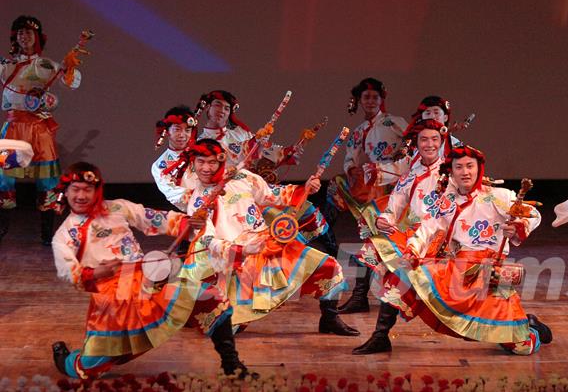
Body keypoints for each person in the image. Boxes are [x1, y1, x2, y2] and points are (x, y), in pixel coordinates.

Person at [49, 162, 245, 379]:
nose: (81, 195)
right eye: (75, 189)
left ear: (97, 190)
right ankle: (66, 359)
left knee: (209, 297)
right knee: (90, 367)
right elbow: (69, 272)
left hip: (148, 282)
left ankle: (232, 365)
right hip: (113, 298)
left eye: (87, 189)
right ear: (65, 192)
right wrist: (97, 273)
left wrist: (188, 222)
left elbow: (152, 218)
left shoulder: (116, 208)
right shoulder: (65, 234)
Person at [354, 146, 551, 355]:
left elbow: (532, 214)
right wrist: (412, 249)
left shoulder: (497, 196)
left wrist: (518, 227)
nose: (465, 172)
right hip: (457, 267)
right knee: (405, 274)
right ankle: (380, 336)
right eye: (459, 167)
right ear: (451, 172)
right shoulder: (447, 201)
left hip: (488, 273)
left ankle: (531, 327)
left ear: (479, 169)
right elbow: (429, 227)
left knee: (520, 347)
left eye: (470, 166)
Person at [177, 139, 359, 336]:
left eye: (211, 162)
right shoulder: (197, 203)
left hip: (268, 244)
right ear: (193, 164)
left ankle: (329, 319)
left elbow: (271, 195)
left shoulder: (243, 178)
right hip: (240, 259)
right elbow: (207, 241)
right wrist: (242, 250)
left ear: (221, 161)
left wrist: (304, 188)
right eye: (200, 162)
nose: (206, 168)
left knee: (329, 267)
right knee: (227, 327)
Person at [325, 77, 408, 314]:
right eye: (366, 97)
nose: (370, 101)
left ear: (382, 99)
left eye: (374, 97)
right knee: (336, 187)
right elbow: (350, 158)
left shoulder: (395, 122)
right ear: (359, 101)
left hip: (395, 184)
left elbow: (412, 143)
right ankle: (326, 240)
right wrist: (354, 171)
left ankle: (380, 293)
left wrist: (400, 160)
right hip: (373, 183)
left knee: (382, 240)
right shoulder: (359, 131)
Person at [0, 15, 85, 245]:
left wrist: (69, 69)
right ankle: (3, 225)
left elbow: (72, 83)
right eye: (19, 32)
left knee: (46, 180)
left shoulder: (47, 65)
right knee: (4, 177)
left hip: (39, 128)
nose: (23, 36)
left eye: (28, 32)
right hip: (13, 127)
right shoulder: (5, 66)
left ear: (37, 37)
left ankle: (47, 232)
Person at [151, 105, 199, 211]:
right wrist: (203, 196)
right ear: (167, 131)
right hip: (189, 213)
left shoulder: (201, 153)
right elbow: (172, 193)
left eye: (187, 130)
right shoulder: (159, 165)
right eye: (177, 129)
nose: (182, 135)